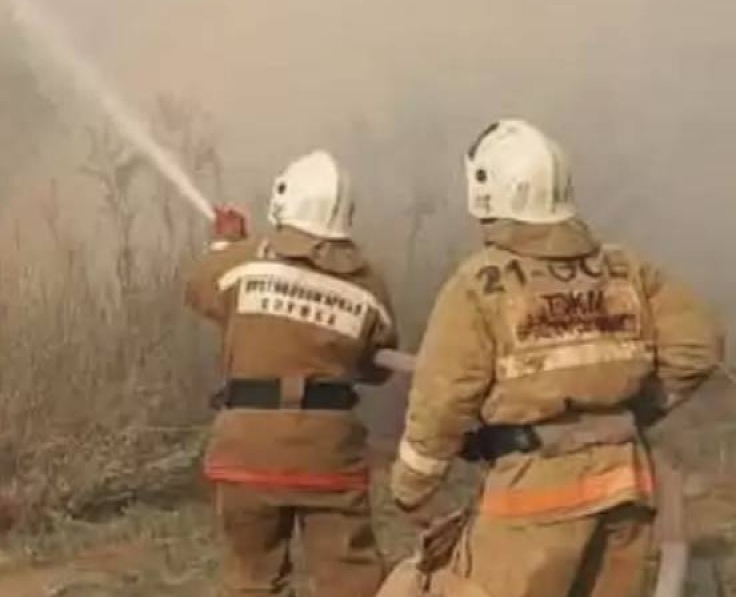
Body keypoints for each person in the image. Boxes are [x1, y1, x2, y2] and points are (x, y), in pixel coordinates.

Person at [389, 118, 725, 597]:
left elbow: (441, 400)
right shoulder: (625, 269)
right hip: (627, 485)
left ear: (486, 193)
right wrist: (634, 413)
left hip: (532, 497)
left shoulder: (479, 285)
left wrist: (411, 488)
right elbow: (698, 346)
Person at [186, 150, 397, 597]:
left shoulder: (241, 263)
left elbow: (200, 290)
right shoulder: (369, 282)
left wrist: (225, 244)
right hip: (330, 459)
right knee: (352, 581)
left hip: (248, 453)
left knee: (252, 582)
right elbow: (378, 366)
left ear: (284, 201)